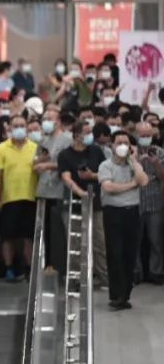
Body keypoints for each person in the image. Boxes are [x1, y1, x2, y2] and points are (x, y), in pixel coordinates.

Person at [98, 131, 149, 310]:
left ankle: (125, 294)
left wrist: (134, 161)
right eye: (119, 142)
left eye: (126, 143)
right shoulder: (105, 165)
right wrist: (131, 184)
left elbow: (143, 181)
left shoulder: (133, 165)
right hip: (113, 212)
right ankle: (116, 295)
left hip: (132, 212)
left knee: (130, 254)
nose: (122, 146)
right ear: (112, 145)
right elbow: (109, 187)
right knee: (115, 253)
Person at [58, 120, 108, 286]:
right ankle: (76, 279)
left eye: (90, 132)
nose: (89, 135)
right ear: (76, 135)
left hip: (96, 202)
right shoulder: (65, 155)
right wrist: (81, 193)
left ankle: (104, 277)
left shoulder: (96, 151)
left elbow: (104, 172)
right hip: (74, 203)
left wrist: (92, 176)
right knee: (76, 244)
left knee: (99, 242)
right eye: (86, 132)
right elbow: (66, 177)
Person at [0, 115, 38, 282]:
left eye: (22, 125)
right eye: (15, 126)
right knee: (8, 237)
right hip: (9, 199)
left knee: (28, 237)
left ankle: (29, 268)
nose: (19, 128)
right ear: (9, 129)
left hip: (30, 197)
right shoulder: (2, 148)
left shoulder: (35, 147)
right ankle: (9, 268)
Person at [32, 110, 72, 272]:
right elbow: (35, 162)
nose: (46, 122)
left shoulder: (68, 139)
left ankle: (61, 265)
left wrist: (49, 165)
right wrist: (40, 161)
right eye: (44, 119)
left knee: (59, 229)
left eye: (49, 118)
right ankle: (48, 263)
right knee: (46, 228)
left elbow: (69, 163)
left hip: (60, 189)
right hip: (44, 189)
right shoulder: (43, 140)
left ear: (58, 121)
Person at [134, 121, 164, 284]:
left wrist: (156, 163)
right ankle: (136, 272)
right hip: (135, 201)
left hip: (155, 202)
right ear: (136, 135)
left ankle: (156, 272)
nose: (145, 138)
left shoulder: (159, 152)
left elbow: (162, 176)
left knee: (156, 240)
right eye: (142, 135)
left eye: (148, 135)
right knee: (135, 240)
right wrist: (138, 161)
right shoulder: (131, 151)